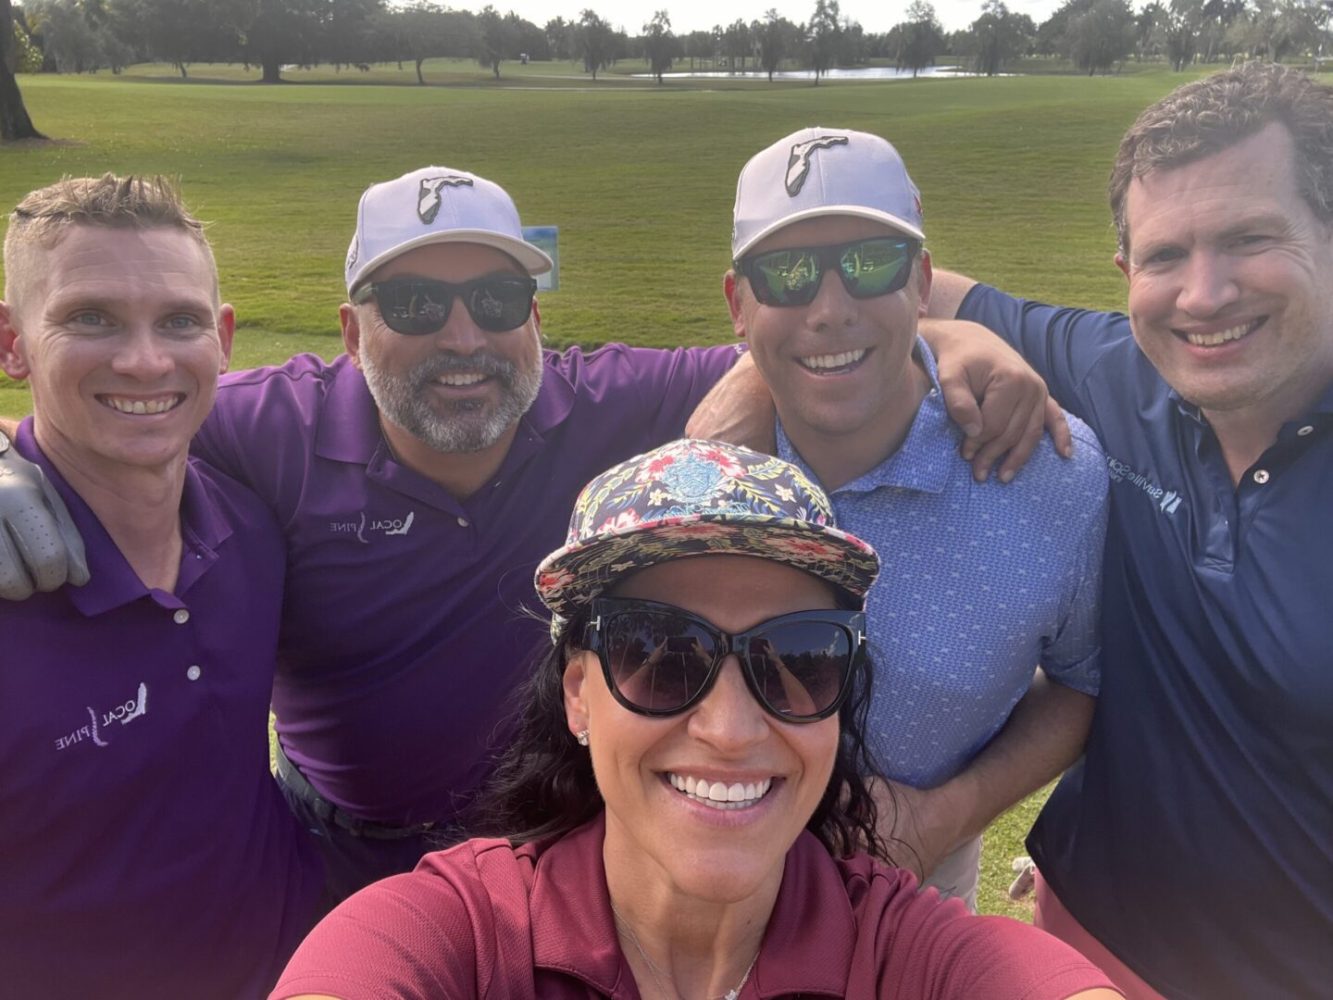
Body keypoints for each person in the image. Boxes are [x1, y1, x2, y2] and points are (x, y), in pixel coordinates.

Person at [0, 164, 1058, 903]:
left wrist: (945, 333)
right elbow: (105, 416)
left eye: (496, 296)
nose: (462, 337)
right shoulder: (266, 427)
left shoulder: (607, 400)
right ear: (350, 331)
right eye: (413, 302)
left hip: (569, 851)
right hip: (342, 860)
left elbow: (809, 336)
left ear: (536, 319)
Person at [271, 438, 1121, 1000]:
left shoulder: (902, 951)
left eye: (796, 659)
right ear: (576, 694)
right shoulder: (458, 934)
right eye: (658, 652)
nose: (730, 727)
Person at [924, 63, 1333, 998]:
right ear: (1125, 274)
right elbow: (887, 286)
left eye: (1248, 239)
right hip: (1074, 938)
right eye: (1162, 256)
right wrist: (971, 340)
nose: (1201, 295)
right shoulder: (1120, 370)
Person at [721, 127, 1108, 908]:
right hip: (703, 879)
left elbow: (1080, 683)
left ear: (921, 279)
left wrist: (944, 817)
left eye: (870, 264)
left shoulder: (1050, 474)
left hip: (920, 880)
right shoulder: (691, 464)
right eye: (786, 274)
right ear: (737, 303)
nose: (829, 309)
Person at [0, 175, 323, 997]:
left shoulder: (252, 526)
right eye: (90, 318)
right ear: (11, 345)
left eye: (178, 321)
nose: (145, 360)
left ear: (222, 340)